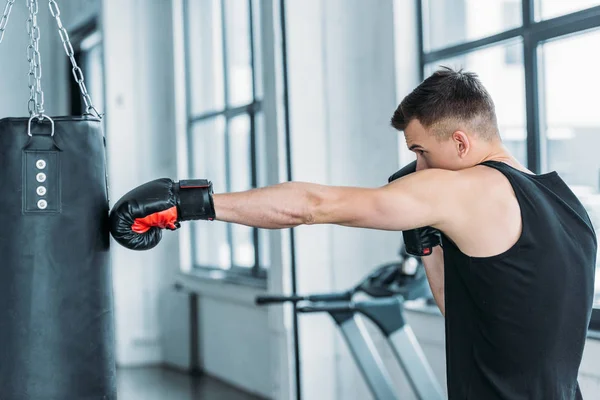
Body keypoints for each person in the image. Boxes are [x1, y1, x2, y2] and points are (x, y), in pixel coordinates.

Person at [109, 67, 597, 399]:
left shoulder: (470, 188)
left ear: (462, 142)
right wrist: (428, 242)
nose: (417, 166)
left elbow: (314, 205)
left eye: (421, 151)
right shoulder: (563, 201)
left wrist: (191, 203)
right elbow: (470, 313)